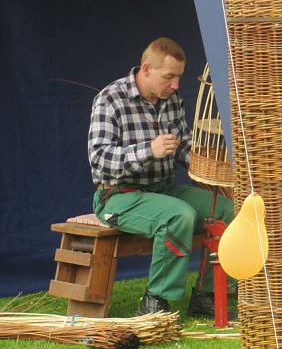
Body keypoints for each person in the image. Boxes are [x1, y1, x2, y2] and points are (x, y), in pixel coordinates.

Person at [88, 37, 235, 317]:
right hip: (118, 196)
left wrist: (210, 162)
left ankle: (208, 295)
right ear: (146, 69)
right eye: (169, 77)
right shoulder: (110, 99)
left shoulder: (171, 99)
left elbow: (181, 145)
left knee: (228, 210)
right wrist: (148, 150)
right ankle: (155, 303)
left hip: (163, 189)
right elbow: (99, 160)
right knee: (178, 215)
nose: (176, 85)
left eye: (178, 77)